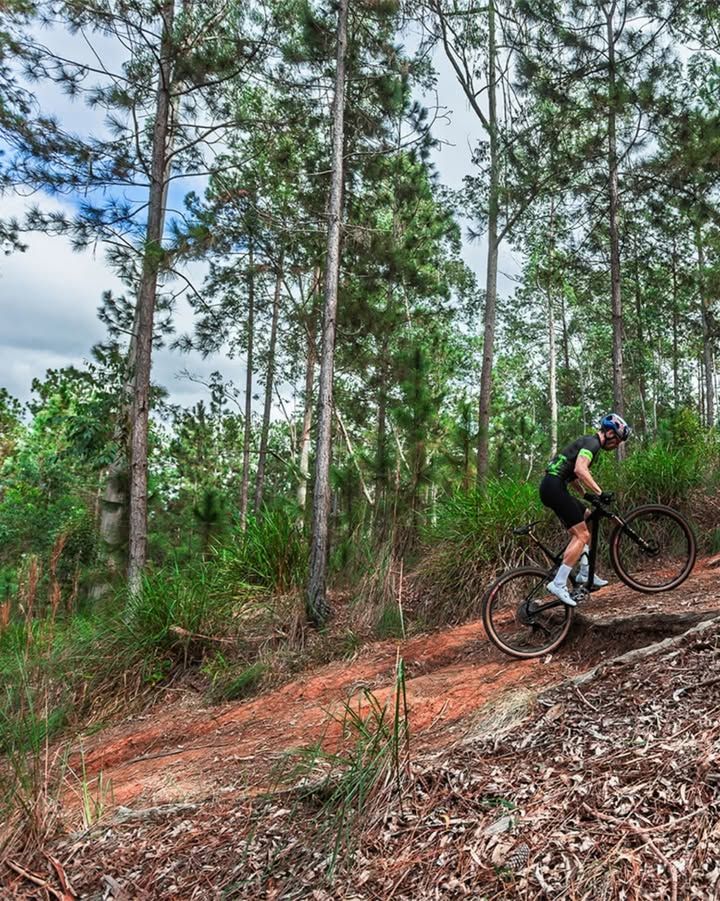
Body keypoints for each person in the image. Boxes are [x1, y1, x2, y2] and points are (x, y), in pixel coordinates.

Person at [539, 413, 631, 606]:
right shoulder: (593, 443)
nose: (616, 446)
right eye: (617, 440)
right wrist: (599, 492)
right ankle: (559, 582)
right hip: (554, 488)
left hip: (552, 487)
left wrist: (586, 495)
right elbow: (581, 469)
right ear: (608, 432)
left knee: (586, 516)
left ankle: (584, 571)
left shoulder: (587, 442)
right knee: (582, 536)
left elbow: (572, 476)